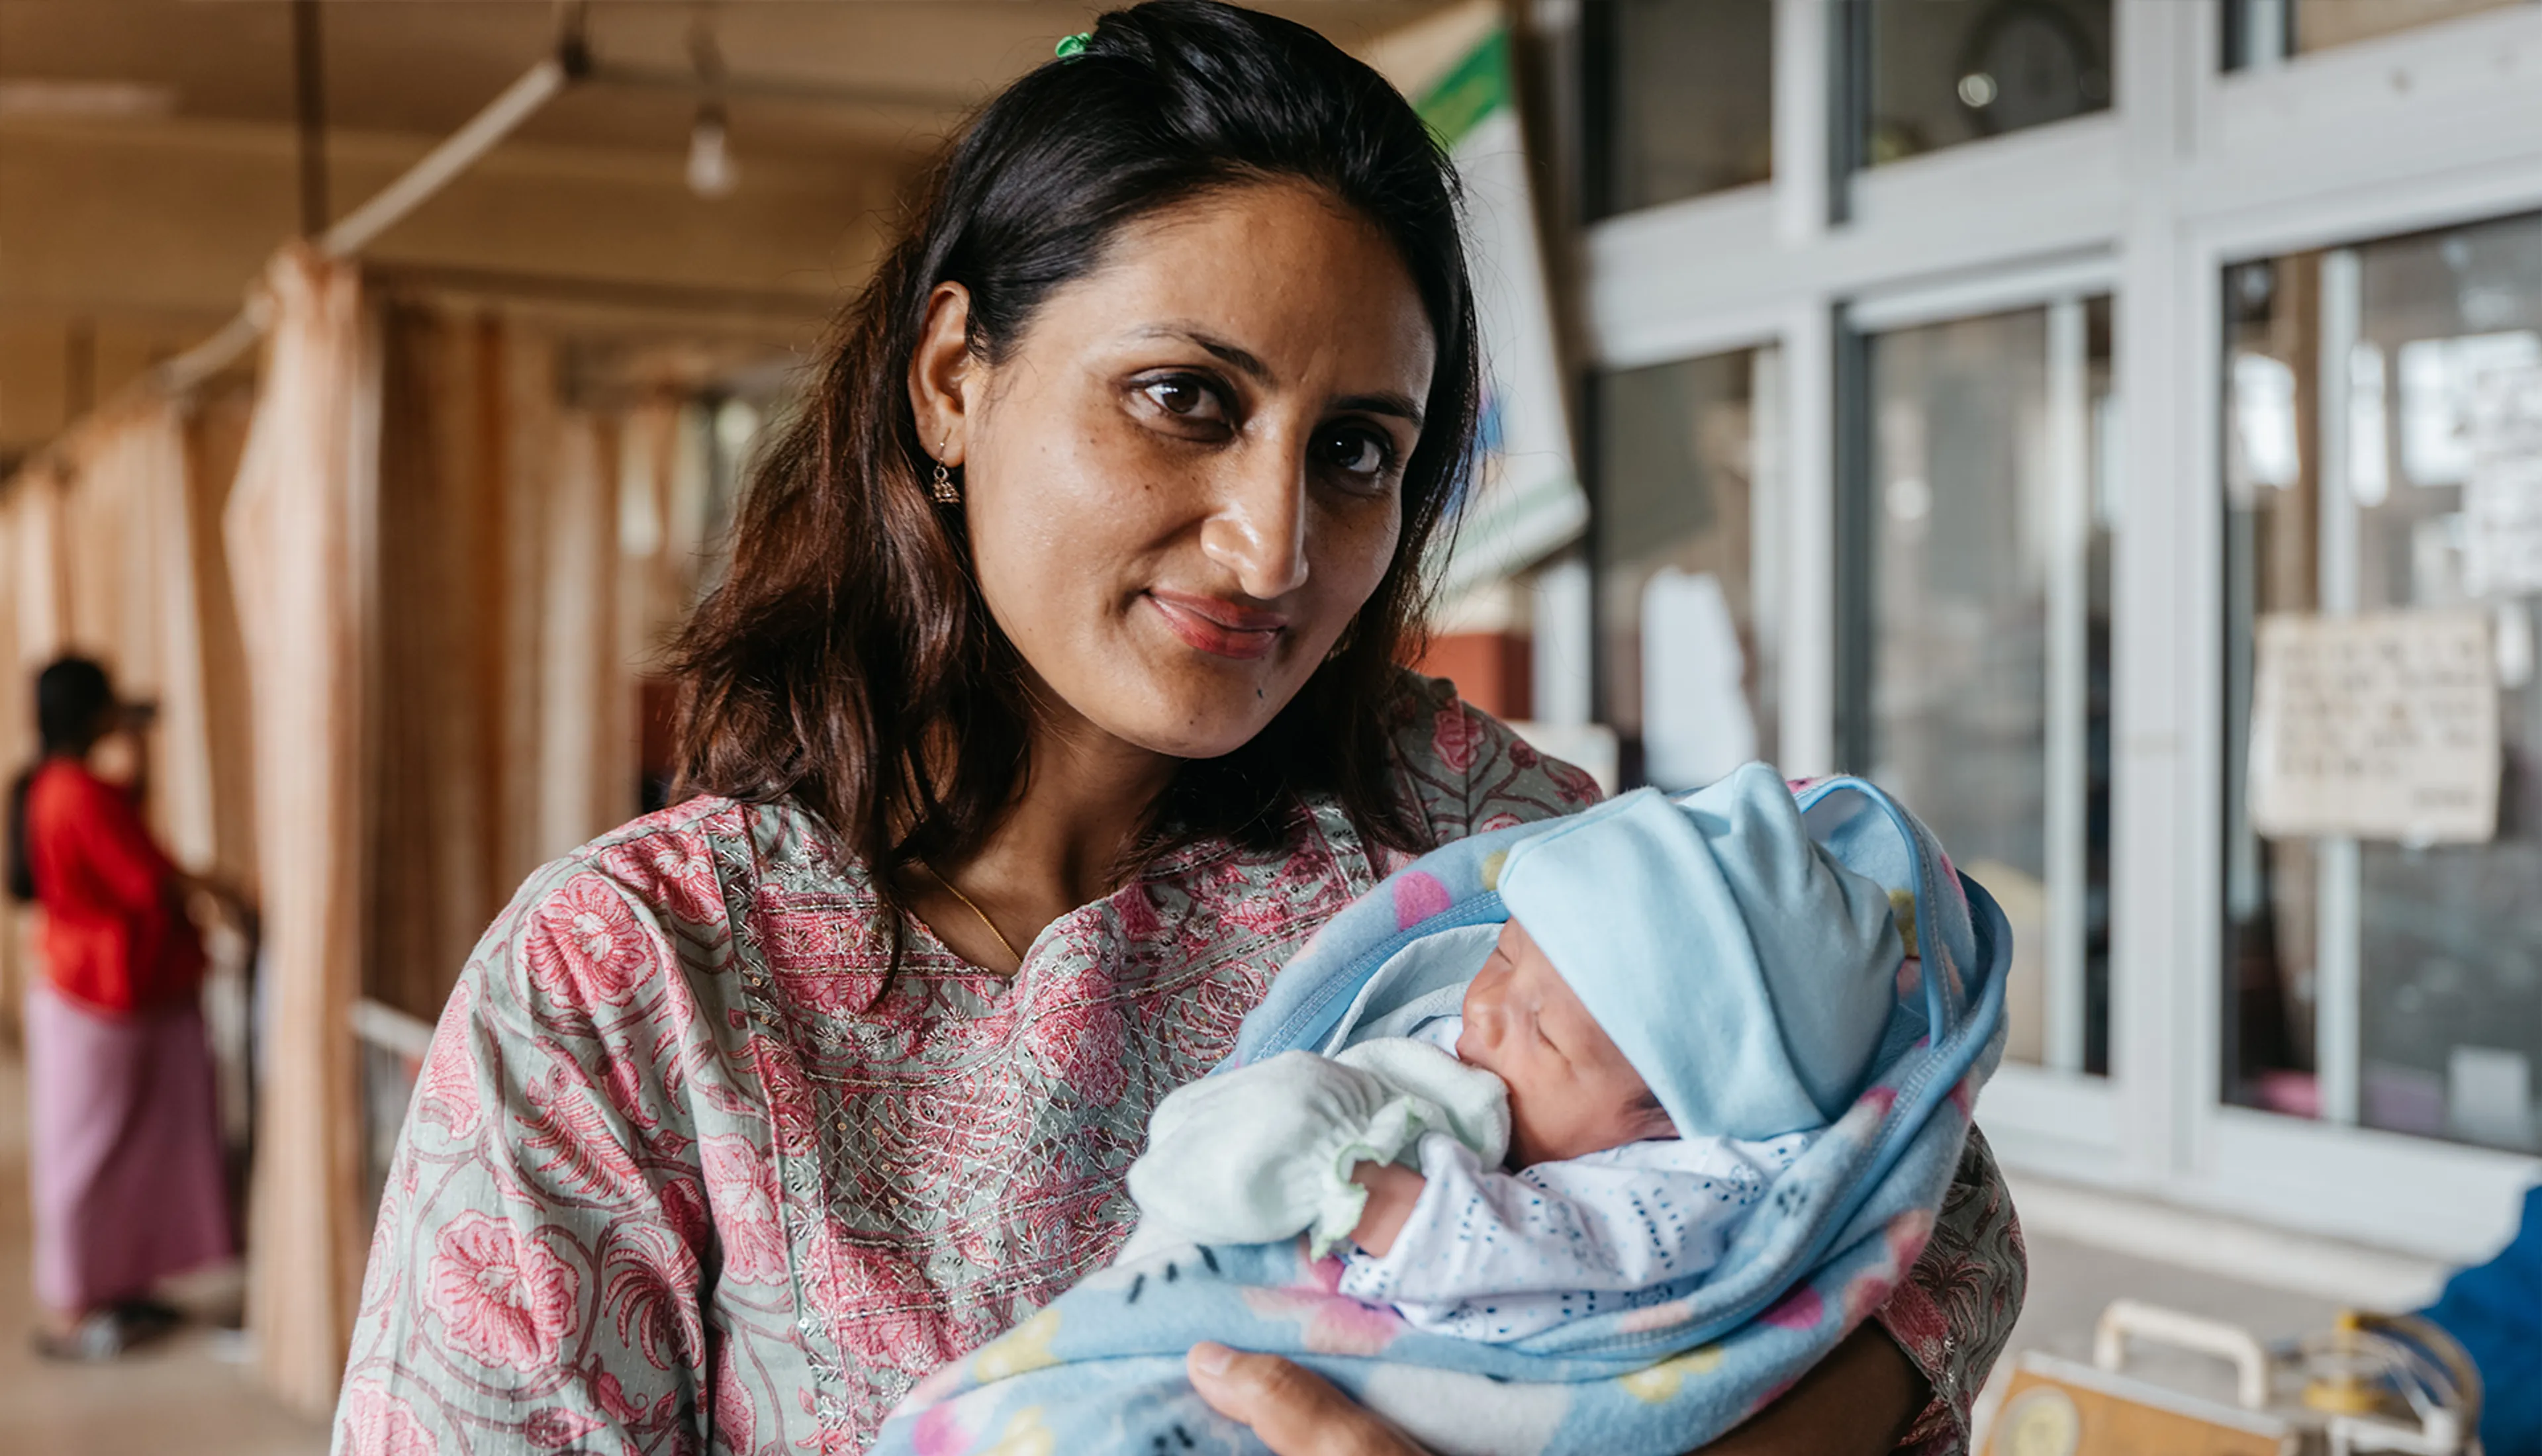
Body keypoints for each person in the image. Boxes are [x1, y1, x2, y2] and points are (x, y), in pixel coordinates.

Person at [332, 5, 2024, 1453]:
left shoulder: (1484, 849)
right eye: (1185, 401)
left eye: (1356, 449)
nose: (1271, 544)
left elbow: (1930, 1220)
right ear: (950, 377)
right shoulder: (634, 994)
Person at [1125, 770, 1908, 1346]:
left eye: (1547, 1032)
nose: (1486, 1007)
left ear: (1673, 1119)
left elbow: (1568, 1264)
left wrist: (1375, 1197)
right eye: (1502, 956)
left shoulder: (1684, 1195)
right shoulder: (1464, 1061)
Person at [6, 655, 238, 1359]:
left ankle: (119, 1284)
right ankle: (77, 1307)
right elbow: (151, 877)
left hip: (110, 993)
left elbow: (131, 818)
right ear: (95, 712)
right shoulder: (71, 792)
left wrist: (137, 744)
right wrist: (232, 895)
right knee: (88, 1156)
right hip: (99, 995)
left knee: (131, 1150)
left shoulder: (58, 786)